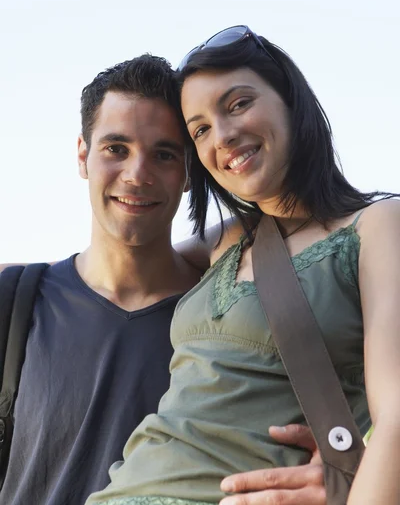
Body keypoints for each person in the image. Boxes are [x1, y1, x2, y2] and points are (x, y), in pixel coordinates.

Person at [86, 26, 400, 505]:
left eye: (237, 104)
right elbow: (126, 257)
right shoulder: (226, 240)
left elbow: (396, 417)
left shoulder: (375, 226)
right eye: (201, 130)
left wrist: (351, 487)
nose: (224, 135)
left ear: (290, 100)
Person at [0, 54, 326, 505]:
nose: (137, 175)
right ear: (83, 156)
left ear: (190, 170)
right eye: (116, 148)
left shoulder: (233, 317)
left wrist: (350, 473)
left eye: (164, 154)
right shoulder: (14, 302)